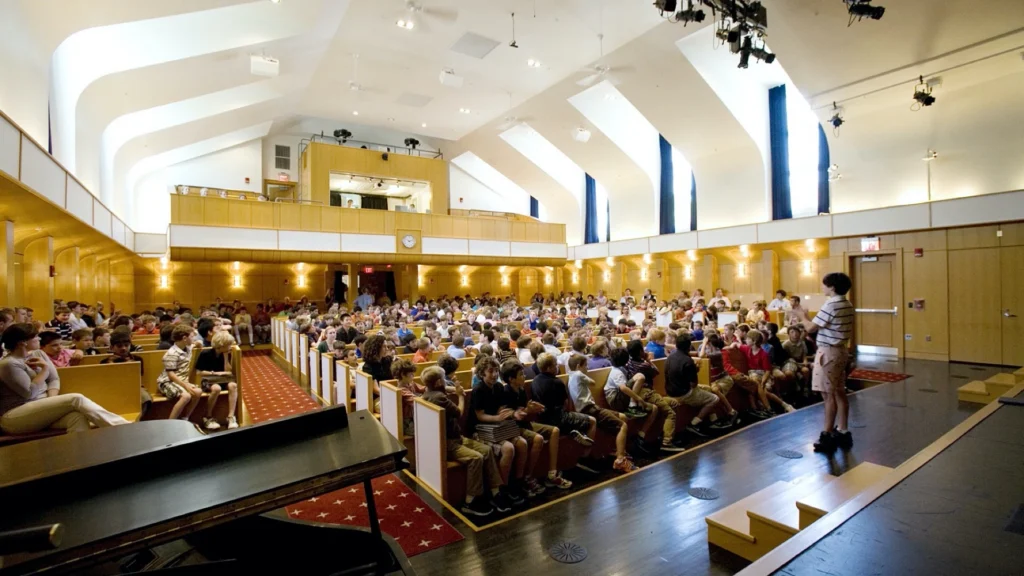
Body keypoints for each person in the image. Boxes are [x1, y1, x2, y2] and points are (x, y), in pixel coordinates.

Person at [0, 323, 130, 434]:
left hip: (40, 408)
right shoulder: (9, 364)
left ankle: (80, 459)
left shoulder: (38, 353)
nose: (39, 338)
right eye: (35, 337)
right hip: (15, 416)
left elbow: (54, 379)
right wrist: (44, 370)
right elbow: (29, 393)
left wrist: (52, 402)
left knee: (77, 417)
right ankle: (125, 428)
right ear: (22, 342)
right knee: (76, 398)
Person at [421, 365, 510, 517]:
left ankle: (495, 492)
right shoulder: (439, 398)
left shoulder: (428, 392)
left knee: (487, 450)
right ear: (437, 383)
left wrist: (455, 389)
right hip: (448, 443)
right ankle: (470, 501)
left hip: (456, 437)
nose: (445, 381)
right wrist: (461, 397)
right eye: (443, 379)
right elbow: (459, 413)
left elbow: (446, 390)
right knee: (476, 457)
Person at [792, 272, 854, 453]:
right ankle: (843, 430)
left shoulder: (831, 304)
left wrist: (802, 316)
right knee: (839, 391)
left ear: (832, 287)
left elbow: (810, 328)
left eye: (824, 284)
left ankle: (827, 435)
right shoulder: (847, 303)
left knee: (828, 395)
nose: (822, 287)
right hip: (841, 350)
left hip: (828, 352)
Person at [499, 360, 571, 492]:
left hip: (525, 424)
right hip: (513, 428)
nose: (524, 376)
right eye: (521, 374)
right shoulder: (505, 392)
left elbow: (524, 409)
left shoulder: (520, 389)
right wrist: (527, 410)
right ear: (511, 379)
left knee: (554, 431)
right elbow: (509, 415)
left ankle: (552, 472)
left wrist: (532, 409)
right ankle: (528, 477)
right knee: (537, 438)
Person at [470, 356, 528, 505]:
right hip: (481, 428)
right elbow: (480, 415)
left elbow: (502, 409)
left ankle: (516, 482)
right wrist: (497, 418)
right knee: (508, 448)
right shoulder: (478, 390)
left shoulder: (499, 387)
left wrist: (512, 414)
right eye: (491, 371)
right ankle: (501, 489)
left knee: (521, 443)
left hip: (497, 425)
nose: (494, 374)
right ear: (482, 373)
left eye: (496, 371)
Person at [566, 354, 637, 473]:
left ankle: (616, 450)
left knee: (623, 417)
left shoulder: (570, 376)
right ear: (579, 366)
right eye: (586, 366)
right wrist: (585, 375)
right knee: (622, 426)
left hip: (590, 409)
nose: (587, 368)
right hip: (590, 409)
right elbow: (593, 383)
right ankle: (620, 460)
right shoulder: (578, 374)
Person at [664, 333, 731, 437]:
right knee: (714, 399)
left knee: (708, 389)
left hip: (670, 390)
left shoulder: (670, 357)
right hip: (684, 393)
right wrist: (696, 370)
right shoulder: (688, 361)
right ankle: (694, 423)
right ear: (688, 346)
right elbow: (694, 385)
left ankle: (713, 420)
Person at [531, 353, 596, 450]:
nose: (557, 367)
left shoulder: (535, 380)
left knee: (576, 419)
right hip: (558, 418)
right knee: (592, 421)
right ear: (549, 368)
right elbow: (567, 405)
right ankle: (586, 455)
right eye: (555, 365)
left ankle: (574, 431)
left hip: (543, 418)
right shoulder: (556, 382)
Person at [195, 331, 240, 430]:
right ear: (221, 345)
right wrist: (214, 373)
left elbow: (227, 371)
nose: (230, 346)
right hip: (208, 380)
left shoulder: (226, 353)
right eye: (228, 345)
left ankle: (231, 417)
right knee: (216, 388)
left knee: (233, 385)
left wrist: (225, 357)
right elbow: (199, 372)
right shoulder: (205, 353)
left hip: (222, 379)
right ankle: (208, 417)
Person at [101, 329, 151, 419]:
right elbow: (106, 380)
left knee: (145, 397)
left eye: (126, 345)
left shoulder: (137, 359)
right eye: (119, 346)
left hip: (134, 386)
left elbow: (139, 376)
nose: (123, 348)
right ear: (112, 348)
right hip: (114, 388)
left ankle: (138, 419)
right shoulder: (105, 361)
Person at [157, 325, 203, 421]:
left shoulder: (188, 347)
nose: (193, 338)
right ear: (184, 338)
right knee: (186, 396)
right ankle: (171, 422)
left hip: (181, 381)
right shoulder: (171, 353)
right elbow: (171, 375)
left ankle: (185, 418)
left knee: (198, 392)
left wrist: (199, 343)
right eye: (192, 336)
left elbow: (197, 343)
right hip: (166, 382)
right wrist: (186, 385)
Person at [391, 359, 422, 437]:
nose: (413, 376)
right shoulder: (402, 390)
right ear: (402, 375)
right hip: (407, 422)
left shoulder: (410, 383)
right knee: (426, 430)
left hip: (414, 417)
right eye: (411, 374)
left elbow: (423, 388)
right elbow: (416, 400)